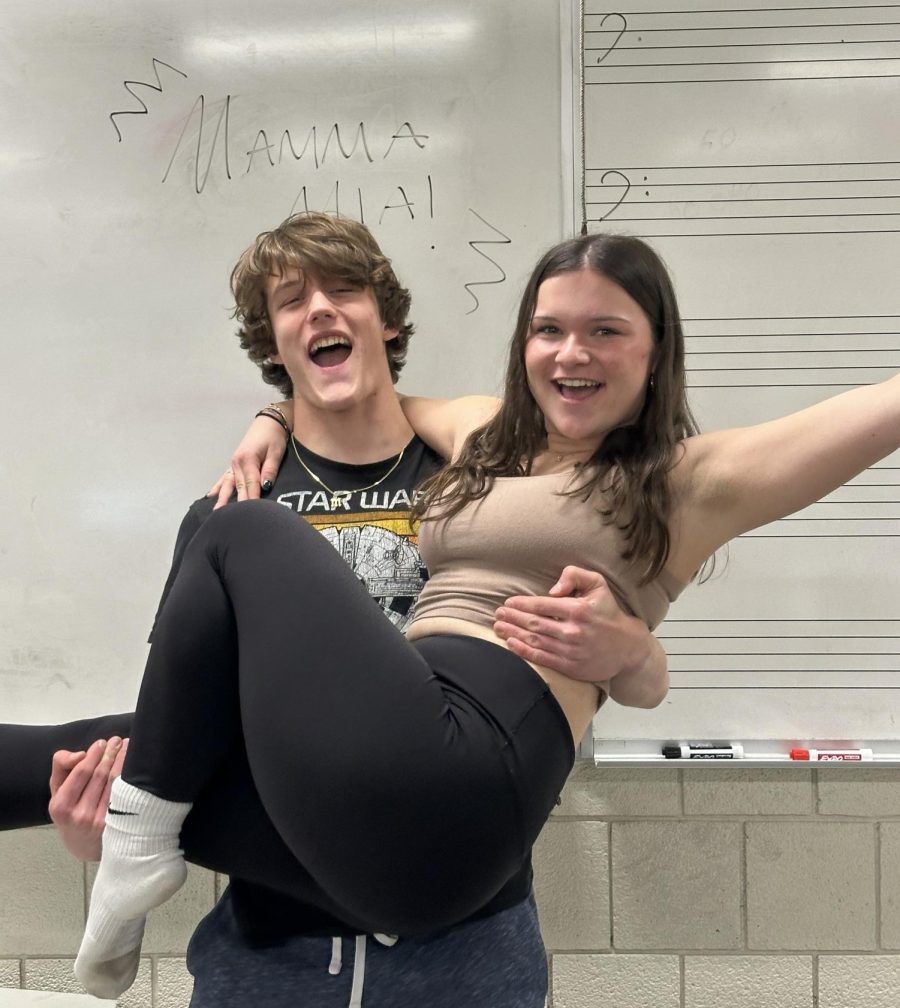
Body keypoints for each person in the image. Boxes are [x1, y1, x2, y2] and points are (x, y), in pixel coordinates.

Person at [74, 223, 900, 999]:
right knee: (75, 744)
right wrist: (276, 413)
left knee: (245, 535)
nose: (572, 352)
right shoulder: (481, 444)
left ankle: (139, 842)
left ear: (657, 352)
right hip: (277, 940)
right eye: (549, 330)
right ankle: (135, 837)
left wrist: (636, 658)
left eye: (607, 331)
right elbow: (193, 709)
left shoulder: (684, 479)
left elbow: (869, 417)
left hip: (462, 880)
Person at [2, 213, 661, 1008]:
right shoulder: (227, 513)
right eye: (290, 301)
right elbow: (184, 734)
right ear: (270, 344)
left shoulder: (490, 492)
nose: (319, 309)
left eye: (344, 289)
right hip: (271, 960)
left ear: (386, 318)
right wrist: (97, 829)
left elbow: (606, 668)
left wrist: (633, 650)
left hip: (466, 949)